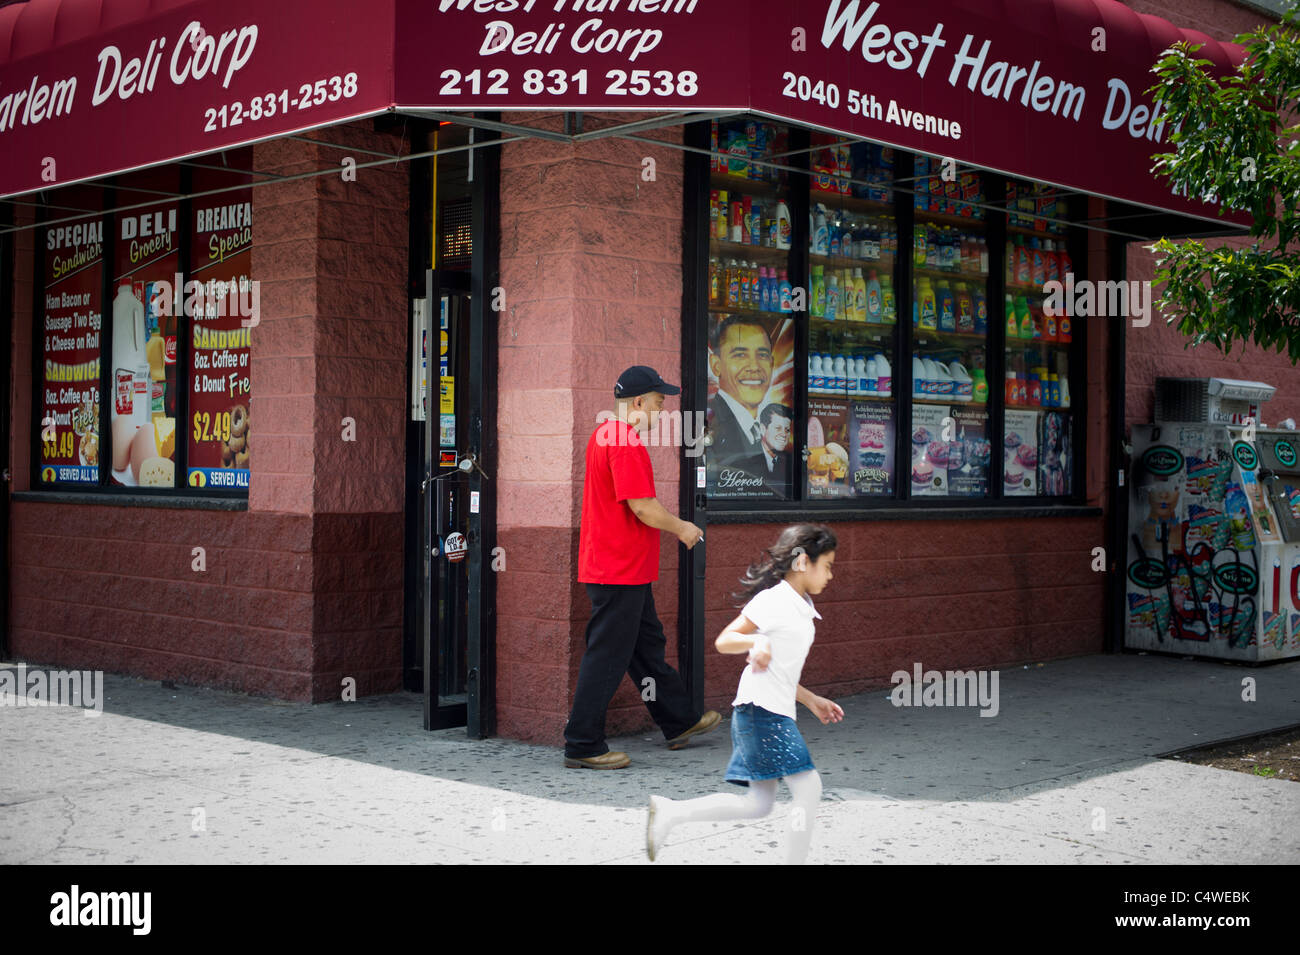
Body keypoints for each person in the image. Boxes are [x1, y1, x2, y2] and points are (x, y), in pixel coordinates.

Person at [646, 523, 843, 864]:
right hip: (760, 713)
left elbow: (779, 672)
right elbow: (725, 641)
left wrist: (810, 699)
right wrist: (758, 640)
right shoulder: (775, 600)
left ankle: (671, 813)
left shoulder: (800, 606)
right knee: (808, 789)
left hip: (767, 711)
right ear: (802, 563)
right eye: (825, 565)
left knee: (759, 804)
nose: (829, 575)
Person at [564, 365, 722, 769]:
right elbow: (643, 507)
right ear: (637, 403)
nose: (661, 411)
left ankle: (678, 721)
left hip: (622, 569)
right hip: (618, 570)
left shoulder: (604, 434)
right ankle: (582, 744)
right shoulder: (624, 440)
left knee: (645, 649)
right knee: (607, 656)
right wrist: (683, 527)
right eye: (658, 403)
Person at [706, 315, 774, 474]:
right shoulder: (710, 420)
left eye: (762, 355)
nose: (754, 366)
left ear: (772, 364)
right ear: (716, 365)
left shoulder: (770, 427)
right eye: (740, 355)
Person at [755, 402, 793, 494]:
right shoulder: (747, 457)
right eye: (778, 428)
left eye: (787, 430)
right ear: (763, 429)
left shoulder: (790, 461)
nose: (784, 435)